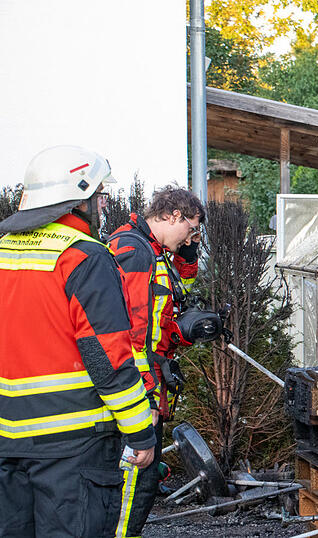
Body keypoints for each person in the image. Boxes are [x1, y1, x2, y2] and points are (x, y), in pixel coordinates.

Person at [0, 145, 155, 537]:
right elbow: (108, 358)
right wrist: (140, 432)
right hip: (74, 448)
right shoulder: (83, 257)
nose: (103, 207)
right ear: (78, 199)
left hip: (6, 442)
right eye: (99, 197)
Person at [107, 186, 204, 538]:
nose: (191, 238)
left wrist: (181, 330)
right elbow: (129, 334)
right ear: (173, 216)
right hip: (138, 386)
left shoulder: (154, 251)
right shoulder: (134, 252)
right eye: (190, 230)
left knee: (144, 481)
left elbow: (174, 293)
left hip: (151, 377)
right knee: (134, 481)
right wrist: (145, 398)